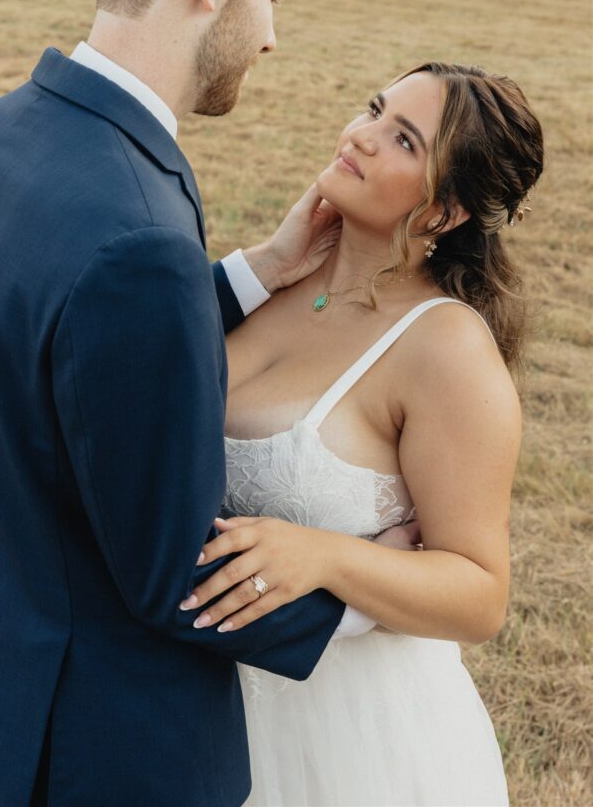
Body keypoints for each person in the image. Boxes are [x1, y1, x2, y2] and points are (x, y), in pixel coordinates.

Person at [0, 0, 394, 807]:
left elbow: (70, 356)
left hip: (9, 710)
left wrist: (253, 271)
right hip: (115, 757)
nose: (271, 37)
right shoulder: (131, 232)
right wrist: (366, 593)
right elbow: (171, 573)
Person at [183, 62, 544, 806]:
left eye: (402, 139)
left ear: (442, 212)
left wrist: (323, 555)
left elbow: (479, 593)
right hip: (210, 709)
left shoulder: (444, 350)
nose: (361, 137)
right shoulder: (283, 282)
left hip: (350, 742)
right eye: (374, 110)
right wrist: (265, 265)